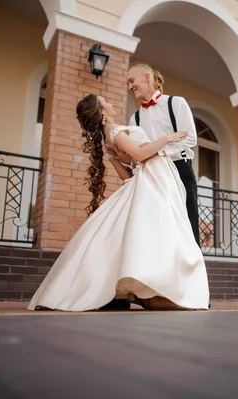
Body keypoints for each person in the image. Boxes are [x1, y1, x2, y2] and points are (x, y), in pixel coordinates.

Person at [27, 94, 209, 312]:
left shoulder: (109, 138)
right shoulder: (115, 132)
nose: (112, 103)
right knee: (166, 231)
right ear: (102, 111)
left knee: (153, 232)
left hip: (151, 177)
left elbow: (125, 176)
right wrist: (167, 139)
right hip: (154, 175)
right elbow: (141, 155)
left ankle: (155, 287)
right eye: (106, 102)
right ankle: (161, 286)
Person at [125, 62, 200, 245]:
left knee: (187, 226)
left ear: (147, 77)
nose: (129, 87)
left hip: (180, 169)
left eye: (132, 80)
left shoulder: (176, 103)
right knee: (158, 226)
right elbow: (138, 152)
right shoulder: (134, 119)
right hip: (152, 174)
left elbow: (190, 139)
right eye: (128, 83)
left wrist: (158, 153)